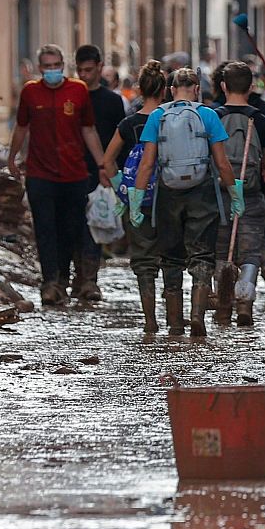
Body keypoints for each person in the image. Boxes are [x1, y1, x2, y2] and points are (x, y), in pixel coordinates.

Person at [128, 67, 239, 338]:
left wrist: (136, 201)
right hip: (202, 192)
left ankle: (175, 324)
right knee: (202, 254)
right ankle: (197, 315)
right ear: (197, 89)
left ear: (170, 90)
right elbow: (222, 163)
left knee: (171, 256)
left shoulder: (157, 116)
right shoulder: (208, 115)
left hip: (168, 193)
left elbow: (147, 164)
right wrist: (235, 196)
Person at [11, 44, 107, 307]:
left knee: (70, 229)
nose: (52, 71)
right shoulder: (30, 93)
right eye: (47, 66)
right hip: (40, 173)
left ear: (63, 66)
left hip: (74, 173)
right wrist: (12, 157)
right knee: (44, 229)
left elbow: (88, 130)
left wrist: (102, 164)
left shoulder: (77, 91)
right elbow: (21, 127)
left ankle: (66, 280)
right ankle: (50, 283)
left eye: (56, 66)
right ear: (40, 68)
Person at [100, 60, 167, 333]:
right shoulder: (169, 119)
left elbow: (107, 161)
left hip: (136, 200)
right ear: (164, 90)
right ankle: (178, 319)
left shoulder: (128, 124)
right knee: (173, 259)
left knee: (143, 259)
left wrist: (122, 190)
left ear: (140, 89)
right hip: (169, 197)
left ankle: (150, 319)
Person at [211, 62, 265, 326]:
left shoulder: (213, 116)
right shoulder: (260, 118)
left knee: (220, 251)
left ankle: (223, 305)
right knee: (250, 252)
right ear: (251, 87)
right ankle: (245, 304)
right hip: (251, 194)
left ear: (223, 86)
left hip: (219, 195)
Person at [71, 44, 127, 303]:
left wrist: (116, 172)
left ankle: (89, 280)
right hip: (71, 169)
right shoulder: (70, 97)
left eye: (89, 70)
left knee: (95, 223)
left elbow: (120, 137)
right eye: (80, 70)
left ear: (100, 67)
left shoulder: (112, 101)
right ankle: (76, 276)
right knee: (73, 224)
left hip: (100, 172)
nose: (85, 75)